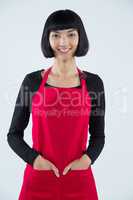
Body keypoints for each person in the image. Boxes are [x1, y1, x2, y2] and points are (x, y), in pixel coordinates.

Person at [7, 9, 105, 200]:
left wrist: (86, 160)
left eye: (71, 34)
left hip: (79, 180)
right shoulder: (32, 81)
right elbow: (14, 135)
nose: (63, 42)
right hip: (38, 179)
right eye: (56, 35)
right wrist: (34, 160)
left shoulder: (94, 83)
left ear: (80, 37)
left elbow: (98, 136)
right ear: (48, 39)